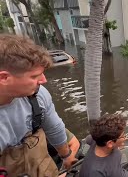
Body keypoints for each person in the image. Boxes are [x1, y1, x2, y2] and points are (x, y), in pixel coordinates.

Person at [0, 34, 77, 176]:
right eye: (34, 76)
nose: (44, 80)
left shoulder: (38, 95)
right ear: (4, 77)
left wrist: (66, 156)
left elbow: (54, 128)